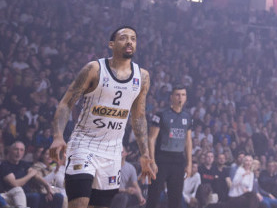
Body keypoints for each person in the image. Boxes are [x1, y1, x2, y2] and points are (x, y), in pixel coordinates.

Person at [49, 27, 155, 208]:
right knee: (79, 203)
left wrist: (145, 153)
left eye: (133, 38)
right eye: (123, 38)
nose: (129, 41)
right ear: (111, 44)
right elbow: (66, 103)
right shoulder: (94, 69)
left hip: (112, 151)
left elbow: (138, 117)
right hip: (83, 144)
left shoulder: (142, 76)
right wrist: (58, 136)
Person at [146, 86, 193, 208]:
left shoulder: (188, 117)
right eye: (177, 94)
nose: (180, 97)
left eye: (183, 95)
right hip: (161, 159)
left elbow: (188, 141)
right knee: (153, 196)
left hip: (178, 161)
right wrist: (152, 161)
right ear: (171, 97)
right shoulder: (161, 114)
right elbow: (151, 138)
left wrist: (189, 164)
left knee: (176, 198)